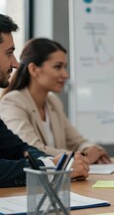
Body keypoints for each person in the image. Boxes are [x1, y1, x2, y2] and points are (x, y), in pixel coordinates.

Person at [0, 13, 89, 187]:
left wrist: (59, 163)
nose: (15, 63)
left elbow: (19, 149)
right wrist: (52, 166)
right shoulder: (14, 102)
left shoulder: (53, 102)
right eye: (9, 53)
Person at [0, 37, 111, 164]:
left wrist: (93, 150)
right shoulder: (13, 102)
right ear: (34, 69)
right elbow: (32, 150)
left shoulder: (53, 102)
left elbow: (78, 141)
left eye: (65, 67)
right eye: (58, 67)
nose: (65, 74)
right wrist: (84, 155)